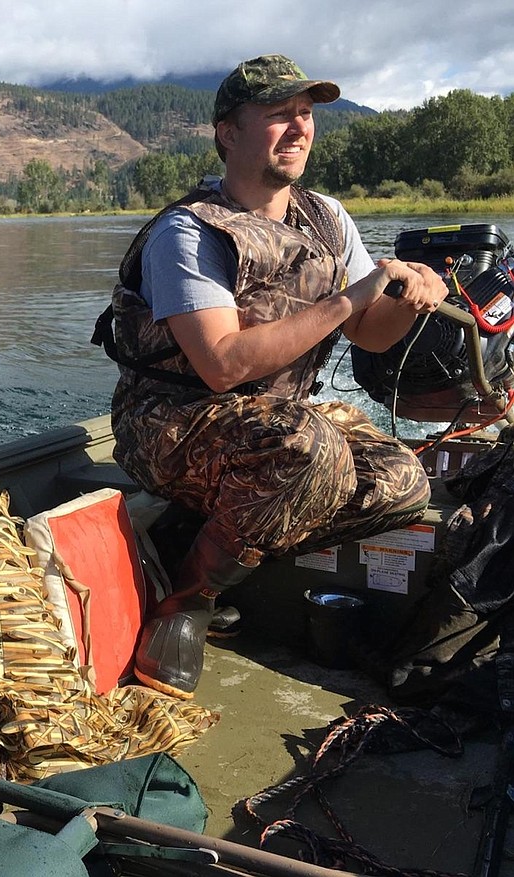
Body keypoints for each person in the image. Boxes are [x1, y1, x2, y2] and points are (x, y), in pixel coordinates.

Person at [105, 55, 449, 700]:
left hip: (274, 422)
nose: (298, 129)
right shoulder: (188, 233)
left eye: (306, 114)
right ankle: (186, 598)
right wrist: (354, 295)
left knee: (400, 484)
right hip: (170, 424)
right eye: (277, 115)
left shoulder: (325, 218)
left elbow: (369, 334)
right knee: (310, 454)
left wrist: (407, 298)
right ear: (227, 133)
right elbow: (222, 364)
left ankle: (193, 539)